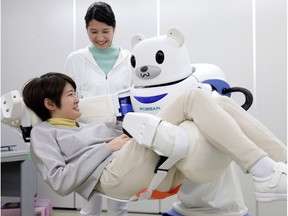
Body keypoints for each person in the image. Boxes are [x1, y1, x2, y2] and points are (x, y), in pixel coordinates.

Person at [23, 72, 286, 205]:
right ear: (49, 103)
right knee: (193, 98)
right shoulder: (43, 134)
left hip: (134, 160)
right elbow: (60, 181)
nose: (77, 98)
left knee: (220, 104)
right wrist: (107, 147)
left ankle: (280, 167)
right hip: (114, 175)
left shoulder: (83, 124)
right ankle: (261, 172)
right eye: (70, 94)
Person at [64, 2, 132, 215]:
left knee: (118, 200)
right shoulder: (76, 60)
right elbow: (67, 98)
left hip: (122, 136)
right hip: (88, 139)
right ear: (86, 29)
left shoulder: (130, 59)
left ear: (115, 28)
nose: (100, 37)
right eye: (93, 32)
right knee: (89, 201)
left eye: (105, 31)